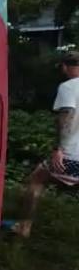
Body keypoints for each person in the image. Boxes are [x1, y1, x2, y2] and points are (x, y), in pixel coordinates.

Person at [15, 49, 79, 238]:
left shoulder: (68, 87)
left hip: (72, 156)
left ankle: (24, 228)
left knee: (37, 179)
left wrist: (58, 148)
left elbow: (66, 116)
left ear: (65, 67)